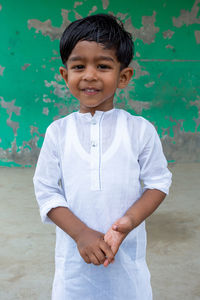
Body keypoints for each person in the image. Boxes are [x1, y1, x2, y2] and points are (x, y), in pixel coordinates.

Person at [33, 13, 172, 300]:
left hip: (126, 267)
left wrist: (128, 222)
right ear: (65, 74)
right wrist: (81, 233)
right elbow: (46, 191)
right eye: (79, 66)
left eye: (103, 65)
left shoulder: (140, 131)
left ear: (124, 76)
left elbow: (158, 182)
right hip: (74, 268)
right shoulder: (58, 132)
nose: (90, 75)